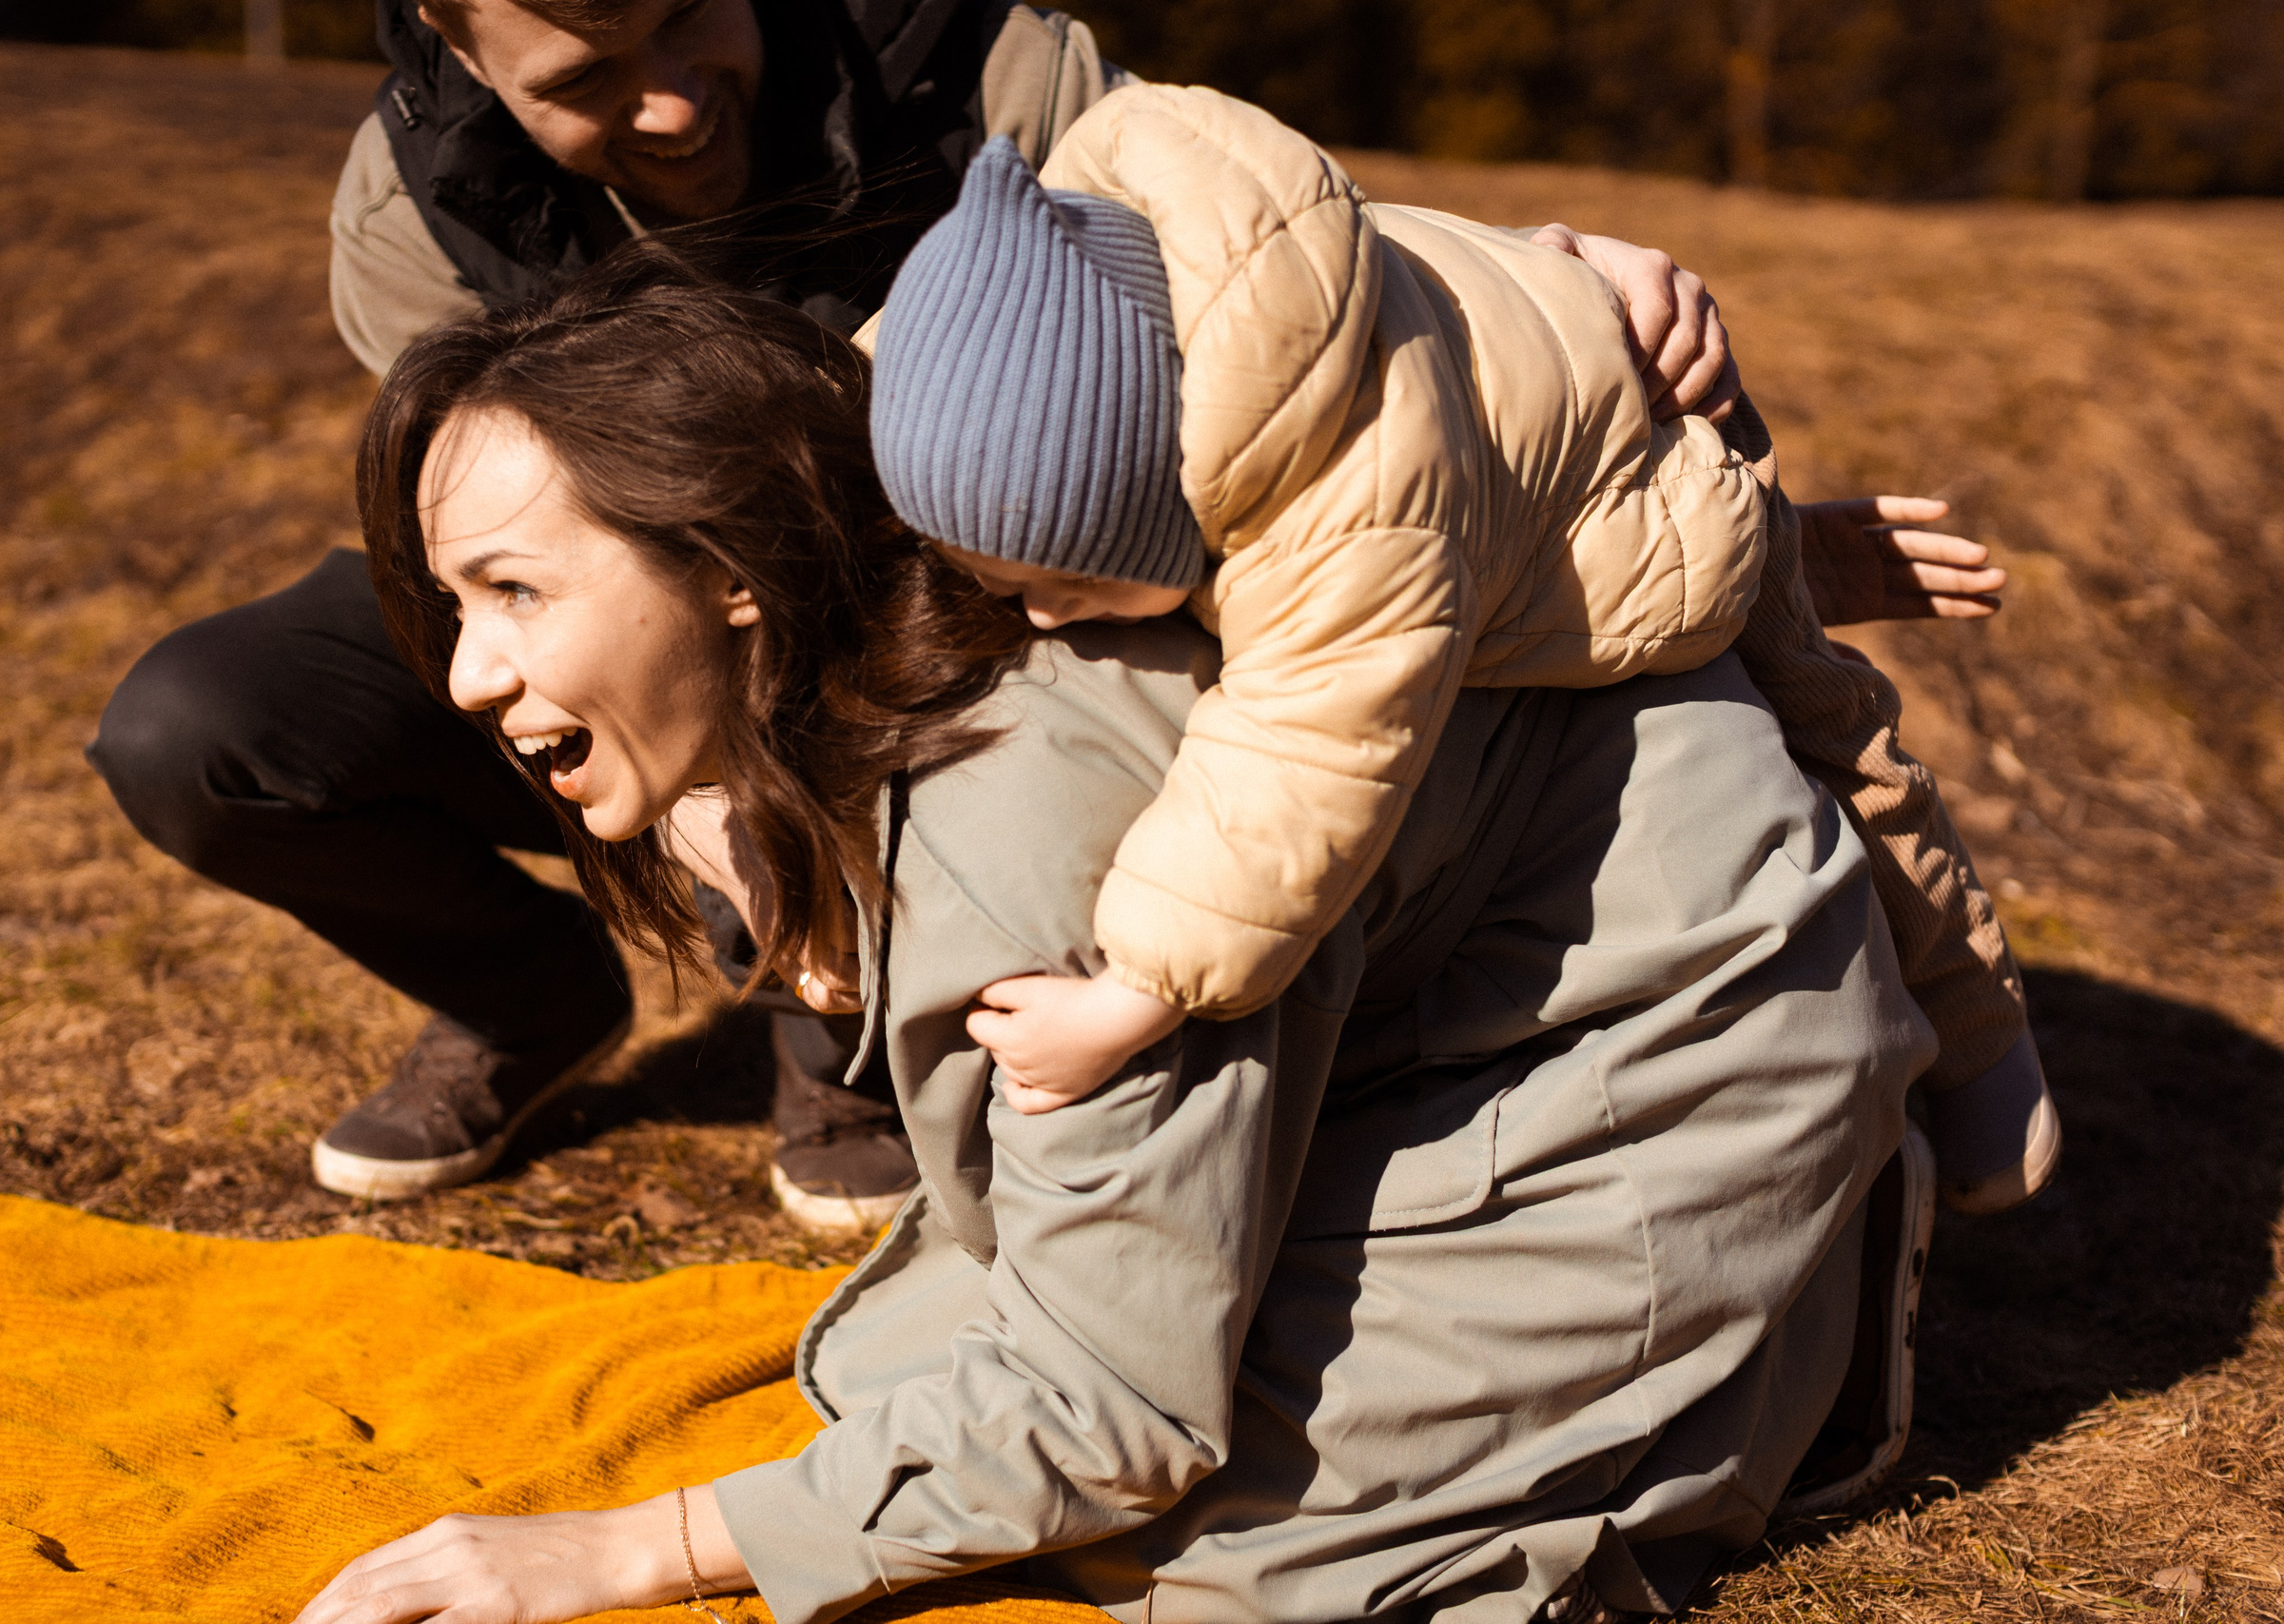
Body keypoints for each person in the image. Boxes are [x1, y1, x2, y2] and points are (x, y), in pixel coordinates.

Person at [85, 0, 2003, 1223]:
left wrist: (1528, 282)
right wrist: (679, 784)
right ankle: (535, 994)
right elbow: (511, 555)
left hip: (936, 573)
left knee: (1115, 653)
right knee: (200, 726)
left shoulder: (979, 60)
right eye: (585, 80)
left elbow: (1240, 288)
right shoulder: (401, 220)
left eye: (694, 15)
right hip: (644, 596)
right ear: (452, 46)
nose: (673, 101)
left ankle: (833, 1026)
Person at [291, 246, 1936, 1624]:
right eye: (455, 606)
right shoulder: (935, 542)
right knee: (941, 1383)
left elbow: (1116, 1412)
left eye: (512, 593)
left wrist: (623, 1550)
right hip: (1465, 1004)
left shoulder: (1021, 823)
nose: (464, 676)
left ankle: (1819, 1330)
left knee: (1223, 1550)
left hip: (1690, 1044)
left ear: (724, 564)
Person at [861, 90, 2057, 1217]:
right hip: (1524, 426)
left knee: (1842, 749)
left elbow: (1304, 757)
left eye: (1068, 583)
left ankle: (1984, 1046)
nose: (1046, 621)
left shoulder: (1350, 507)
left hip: (1661, 502)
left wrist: (1131, 999)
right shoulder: (1176, 263)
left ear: (1181, 492)